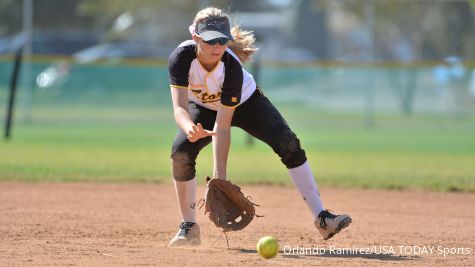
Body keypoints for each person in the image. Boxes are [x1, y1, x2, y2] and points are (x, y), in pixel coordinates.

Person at [168, 7, 351, 247]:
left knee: (288, 143)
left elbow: (222, 127)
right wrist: (190, 127)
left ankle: (322, 218)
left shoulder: (230, 67)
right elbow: (180, 109)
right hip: (203, 106)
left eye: (223, 40)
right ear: (195, 37)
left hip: (246, 102)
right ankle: (189, 227)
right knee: (181, 150)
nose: (218, 46)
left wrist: (219, 180)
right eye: (211, 40)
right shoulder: (181, 58)